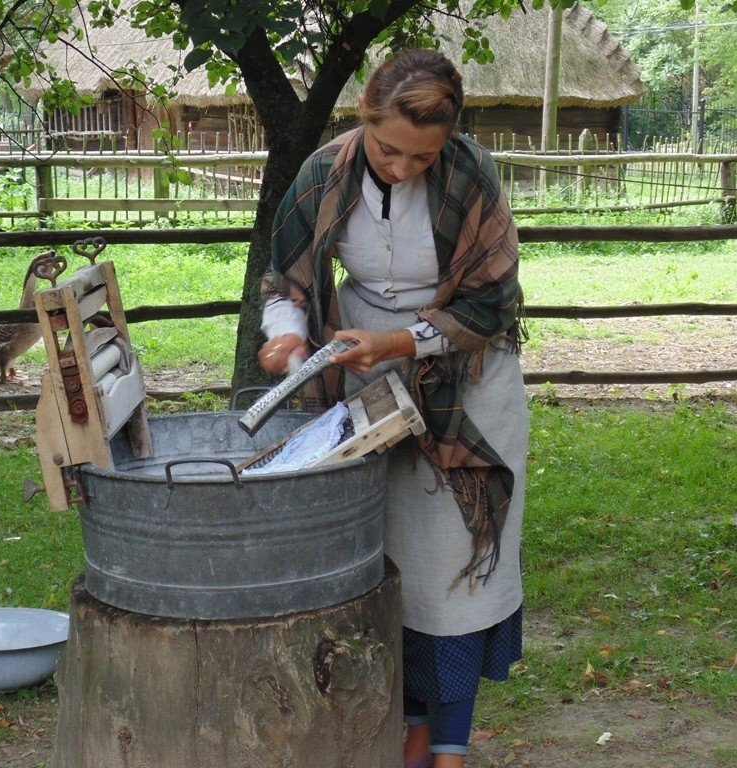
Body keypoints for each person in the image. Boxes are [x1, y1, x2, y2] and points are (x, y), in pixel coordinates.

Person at [258, 49, 528, 768]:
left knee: (453, 578)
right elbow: (285, 278)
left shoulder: (469, 174)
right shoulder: (324, 173)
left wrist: (401, 341)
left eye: (421, 156)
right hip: (369, 385)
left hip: (465, 389)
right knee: (387, 572)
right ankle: (406, 731)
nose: (403, 167)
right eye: (388, 149)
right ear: (363, 118)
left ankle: (449, 749)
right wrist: (286, 340)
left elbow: (492, 300)